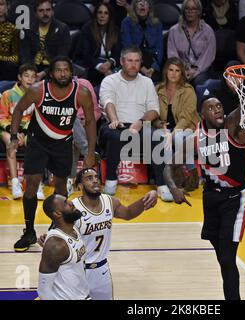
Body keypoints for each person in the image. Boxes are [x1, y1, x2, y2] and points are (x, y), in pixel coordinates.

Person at [164, 96, 245, 300]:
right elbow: (169, 167)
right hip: (211, 199)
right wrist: (174, 188)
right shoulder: (194, 139)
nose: (217, 110)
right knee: (223, 258)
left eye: (219, 105)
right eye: (211, 108)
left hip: (236, 199)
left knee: (227, 258)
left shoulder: (230, 126)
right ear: (202, 114)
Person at [9, 56, 97, 252]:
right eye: (58, 70)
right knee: (31, 185)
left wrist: (90, 152)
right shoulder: (37, 90)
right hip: (38, 143)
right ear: (51, 73)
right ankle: (29, 231)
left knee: (60, 186)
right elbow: (18, 110)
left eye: (66, 70)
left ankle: (56, 228)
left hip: (63, 144)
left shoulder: (81, 93)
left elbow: (90, 122)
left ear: (72, 73)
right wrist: (14, 136)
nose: (63, 73)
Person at [39, 167, 158, 299]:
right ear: (79, 186)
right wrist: (47, 238)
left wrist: (148, 197)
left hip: (102, 269)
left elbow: (128, 213)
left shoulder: (110, 201)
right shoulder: (73, 209)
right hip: (79, 270)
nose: (95, 181)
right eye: (89, 178)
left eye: (96, 177)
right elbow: (58, 231)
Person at [99, 45, 173, 201]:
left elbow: (154, 110)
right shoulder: (109, 80)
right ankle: (111, 180)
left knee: (157, 137)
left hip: (140, 124)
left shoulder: (147, 82)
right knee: (115, 136)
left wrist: (140, 122)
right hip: (115, 124)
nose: (133, 64)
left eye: (137, 61)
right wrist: (114, 120)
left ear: (141, 63)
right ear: (121, 61)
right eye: (129, 60)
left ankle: (162, 185)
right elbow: (108, 102)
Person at [154, 57, 200, 192]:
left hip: (186, 127)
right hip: (164, 128)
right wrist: (161, 125)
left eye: (177, 70)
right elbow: (153, 113)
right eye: (171, 70)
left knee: (178, 138)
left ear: (181, 73)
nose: (173, 73)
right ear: (165, 71)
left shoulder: (188, 90)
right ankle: (176, 177)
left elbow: (186, 117)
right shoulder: (157, 89)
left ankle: (192, 174)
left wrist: (172, 133)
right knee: (164, 141)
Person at [0, 63, 45, 200]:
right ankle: (15, 182)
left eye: (33, 77)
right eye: (26, 76)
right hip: (8, 129)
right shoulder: (8, 95)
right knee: (11, 143)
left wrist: (23, 133)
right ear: (19, 77)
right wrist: (13, 132)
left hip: (28, 131)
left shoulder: (37, 95)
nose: (30, 79)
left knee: (36, 144)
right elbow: (2, 117)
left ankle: (36, 184)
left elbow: (35, 118)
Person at [38, 194, 90, 300]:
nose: (71, 203)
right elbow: (43, 291)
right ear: (57, 213)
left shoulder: (73, 228)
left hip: (83, 295)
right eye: (66, 203)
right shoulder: (56, 245)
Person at [19, 0, 71, 81]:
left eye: (48, 10)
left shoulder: (62, 29)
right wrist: (31, 73)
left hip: (53, 68)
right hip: (32, 67)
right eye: (41, 11)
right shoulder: (27, 28)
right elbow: (25, 55)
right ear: (35, 13)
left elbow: (62, 56)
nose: (45, 14)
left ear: (53, 11)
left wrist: (44, 73)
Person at [167, 0, 216, 86]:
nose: (190, 12)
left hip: (202, 69)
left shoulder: (207, 31)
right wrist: (181, 70)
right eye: (187, 8)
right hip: (180, 68)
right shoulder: (174, 31)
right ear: (183, 11)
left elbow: (208, 56)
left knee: (200, 83)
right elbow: (172, 55)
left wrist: (195, 71)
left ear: (199, 12)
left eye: (194, 9)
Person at [120, 0, 163, 83]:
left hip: (152, 62)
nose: (143, 4)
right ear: (134, 6)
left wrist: (154, 68)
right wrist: (141, 67)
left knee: (154, 82)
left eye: (146, 2)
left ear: (149, 7)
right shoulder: (126, 23)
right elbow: (127, 47)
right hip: (133, 60)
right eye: (139, 1)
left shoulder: (157, 24)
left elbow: (160, 48)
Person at [81, 2, 121, 86]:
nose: (102, 16)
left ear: (110, 16)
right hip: (92, 65)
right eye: (100, 12)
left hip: (110, 66)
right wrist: (100, 66)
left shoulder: (115, 30)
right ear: (96, 15)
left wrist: (110, 62)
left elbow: (117, 53)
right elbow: (86, 55)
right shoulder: (87, 29)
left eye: (106, 13)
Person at [0, 0, 20, 80]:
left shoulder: (13, 29)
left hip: (6, 69)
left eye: (1, 4)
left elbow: (16, 58)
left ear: (7, 7)